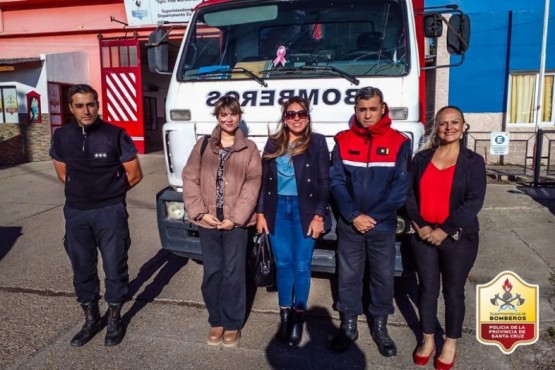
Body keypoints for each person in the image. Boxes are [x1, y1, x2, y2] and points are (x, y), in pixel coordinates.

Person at [49, 84, 143, 347]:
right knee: (82, 266)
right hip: (76, 212)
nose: (86, 110)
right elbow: (62, 173)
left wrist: (108, 193)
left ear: (98, 105)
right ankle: (92, 318)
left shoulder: (115, 135)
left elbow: (134, 174)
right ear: (71, 108)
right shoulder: (62, 136)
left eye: (91, 104)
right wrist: (83, 192)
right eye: (79, 105)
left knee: (114, 265)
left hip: (109, 212)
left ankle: (114, 316)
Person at [329, 86, 411, 356]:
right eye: (362, 109)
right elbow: (337, 182)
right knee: (349, 275)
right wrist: (354, 216)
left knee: (383, 277)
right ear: (355, 110)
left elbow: (399, 190)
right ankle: (349, 325)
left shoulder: (399, 142)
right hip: (350, 224)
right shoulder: (342, 140)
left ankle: (380, 326)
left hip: (382, 225)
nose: (367, 115)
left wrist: (372, 217)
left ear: (382, 109)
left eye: (372, 109)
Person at [406, 106, 486, 370]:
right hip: (424, 237)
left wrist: (444, 230)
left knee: (453, 293)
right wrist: (420, 225)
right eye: (443, 123)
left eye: (455, 122)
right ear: (436, 128)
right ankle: (428, 340)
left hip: (458, 239)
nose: (449, 127)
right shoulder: (421, 158)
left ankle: (450, 343)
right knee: (427, 290)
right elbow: (409, 195)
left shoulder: (473, 162)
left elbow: (474, 201)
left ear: (463, 127)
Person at [182, 96, 261, 348]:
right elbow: (189, 177)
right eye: (224, 114)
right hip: (208, 221)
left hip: (235, 224)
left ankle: (232, 323)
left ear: (239, 116)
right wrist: (199, 212)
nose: (229, 119)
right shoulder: (203, 145)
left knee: (233, 272)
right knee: (213, 271)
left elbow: (252, 184)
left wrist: (235, 219)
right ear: (217, 116)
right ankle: (216, 319)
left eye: (233, 114)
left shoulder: (249, 148)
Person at [256, 97, 331, 347]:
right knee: (284, 264)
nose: (296, 118)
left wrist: (319, 215)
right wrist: (261, 213)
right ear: (284, 117)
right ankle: (285, 314)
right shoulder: (274, 142)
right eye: (291, 114)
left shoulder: (317, 142)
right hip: (277, 209)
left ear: (307, 116)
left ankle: (299, 316)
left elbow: (323, 181)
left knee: (301, 265)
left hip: (305, 210)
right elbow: (263, 180)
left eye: (301, 114)